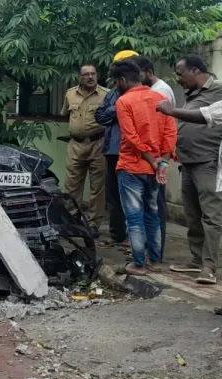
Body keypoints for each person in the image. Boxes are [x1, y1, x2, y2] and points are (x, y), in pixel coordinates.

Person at [155, 55, 222, 285]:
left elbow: (206, 116)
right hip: (188, 162)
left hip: (209, 162)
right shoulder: (192, 94)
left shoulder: (218, 90)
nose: (178, 78)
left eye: (180, 73)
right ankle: (196, 260)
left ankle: (210, 266)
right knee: (192, 214)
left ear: (195, 70)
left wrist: (171, 111)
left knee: (211, 215)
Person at [113, 60, 177, 275]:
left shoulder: (124, 101)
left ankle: (139, 263)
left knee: (134, 217)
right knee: (153, 214)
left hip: (132, 166)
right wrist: (162, 162)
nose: (116, 85)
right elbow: (170, 133)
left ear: (122, 80)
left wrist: (150, 159)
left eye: (116, 81)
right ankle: (156, 260)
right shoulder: (161, 99)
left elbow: (131, 137)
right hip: (156, 168)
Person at [133, 55, 176, 260]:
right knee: (149, 206)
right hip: (151, 157)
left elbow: (165, 129)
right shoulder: (152, 90)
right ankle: (148, 250)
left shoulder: (161, 92)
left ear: (148, 72)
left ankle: (156, 253)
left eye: (138, 74)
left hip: (157, 158)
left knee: (155, 206)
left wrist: (160, 161)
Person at [95, 50, 139, 247]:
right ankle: (117, 235)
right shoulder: (113, 93)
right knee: (114, 195)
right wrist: (118, 108)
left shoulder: (140, 93)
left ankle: (134, 238)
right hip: (112, 150)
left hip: (132, 151)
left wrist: (115, 110)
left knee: (131, 195)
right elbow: (100, 116)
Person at [61, 64, 108, 236]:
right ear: (79, 77)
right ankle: (72, 221)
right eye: (86, 74)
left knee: (97, 187)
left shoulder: (106, 94)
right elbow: (66, 115)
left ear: (97, 75)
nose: (90, 77)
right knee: (71, 185)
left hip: (98, 144)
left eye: (93, 74)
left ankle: (94, 224)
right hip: (76, 145)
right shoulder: (70, 94)